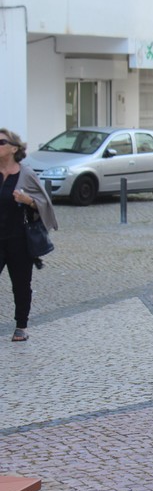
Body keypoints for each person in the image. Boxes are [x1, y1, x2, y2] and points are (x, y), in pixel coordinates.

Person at [0, 128, 58, 342]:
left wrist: (28, 201)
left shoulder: (26, 174)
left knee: (21, 285)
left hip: (19, 240)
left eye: (1, 142)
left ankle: (21, 326)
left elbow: (43, 203)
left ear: (14, 148)